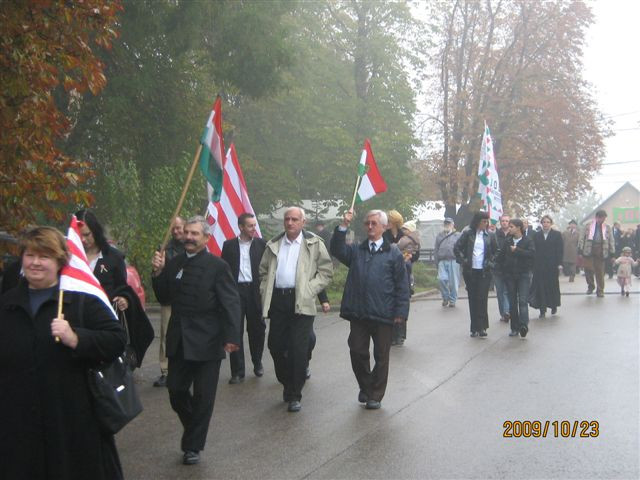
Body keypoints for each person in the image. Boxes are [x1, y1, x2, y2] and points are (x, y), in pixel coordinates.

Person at [0, 226, 126, 480]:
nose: (35, 263)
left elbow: (116, 339)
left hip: (72, 421)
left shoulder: (80, 300)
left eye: (44, 256)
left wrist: (78, 338)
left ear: (59, 261)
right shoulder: (8, 303)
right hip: (18, 422)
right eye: (30, 255)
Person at [151, 216, 241, 465]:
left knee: (203, 397)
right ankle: (195, 428)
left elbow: (231, 303)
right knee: (176, 391)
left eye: (195, 234)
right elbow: (164, 296)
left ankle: (192, 446)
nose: (189, 237)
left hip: (208, 341)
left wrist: (232, 336)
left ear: (206, 238)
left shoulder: (218, 266)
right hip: (179, 339)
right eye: (187, 233)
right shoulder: (176, 262)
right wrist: (158, 272)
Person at [330, 209, 410, 410]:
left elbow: (402, 285)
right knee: (357, 351)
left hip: (384, 313)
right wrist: (343, 226)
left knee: (382, 356)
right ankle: (366, 386)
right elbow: (337, 250)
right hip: (359, 312)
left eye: (374, 223)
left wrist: (401, 313)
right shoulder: (358, 251)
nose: (370, 227)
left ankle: (375, 394)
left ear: (384, 227)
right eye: (367, 223)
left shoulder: (393, 253)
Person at [259, 207, 333, 413]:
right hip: (278, 301)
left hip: (302, 301)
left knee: (298, 350)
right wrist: (265, 289)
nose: (290, 223)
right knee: (275, 346)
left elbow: (326, 272)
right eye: (287, 219)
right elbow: (263, 271)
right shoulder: (273, 244)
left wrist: (310, 289)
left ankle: (294, 394)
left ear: (303, 222)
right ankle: (287, 382)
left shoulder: (314, 243)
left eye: (294, 219)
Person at [221, 213, 267, 383]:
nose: (254, 229)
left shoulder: (262, 245)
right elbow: (224, 271)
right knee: (235, 330)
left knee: (257, 329)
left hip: (255, 291)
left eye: (255, 225)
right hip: (236, 292)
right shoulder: (229, 246)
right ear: (241, 227)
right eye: (250, 226)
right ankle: (237, 371)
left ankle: (257, 361)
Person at [454, 211, 497, 338]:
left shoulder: (490, 235)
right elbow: (457, 248)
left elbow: (497, 251)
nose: (486, 224)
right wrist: (464, 261)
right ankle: (474, 328)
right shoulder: (468, 234)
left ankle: (482, 327)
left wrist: (490, 263)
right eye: (483, 221)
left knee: (482, 298)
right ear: (477, 222)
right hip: (471, 271)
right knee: (473, 299)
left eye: (487, 221)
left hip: (484, 271)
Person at [154, 216, 185, 387]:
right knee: (166, 334)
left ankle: (186, 367)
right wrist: (158, 267)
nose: (176, 231)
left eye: (179, 227)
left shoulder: (191, 247)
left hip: (187, 297)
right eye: (173, 228)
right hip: (169, 297)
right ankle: (165, 371)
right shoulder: (164, 248)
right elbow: (158, 273)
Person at [496, 219, 535, 338]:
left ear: (518, 228)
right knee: (512, 302)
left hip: (523, 274)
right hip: (510, 275)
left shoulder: (527, 240)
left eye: (511, 226)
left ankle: (523, 325)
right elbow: (501, 257)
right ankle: (514, 327)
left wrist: (517, 250)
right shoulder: (508, 241)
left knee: (523, 300)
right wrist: (499, 268)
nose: (509, 228)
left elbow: (532, 254)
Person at [529, 215, 563, 318]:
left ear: (551, 223)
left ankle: (553, 305)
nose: (546, 224)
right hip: (539, 265)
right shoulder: (536, 235)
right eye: (544, 222)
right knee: (541, 287)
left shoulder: (556, 235)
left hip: (552, 265)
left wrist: (560, 264)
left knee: (552, 285)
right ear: (541, 223)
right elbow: (533, 250)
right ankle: (542, 309)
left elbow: (560, 250)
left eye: (548, 222)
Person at [393, 219, 420, 345]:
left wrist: (407, 257)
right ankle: (394, 334)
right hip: (393, 272)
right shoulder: (387, 235)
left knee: (402, 303)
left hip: (404, 271)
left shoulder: (405, 238)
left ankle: (400, 335)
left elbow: (414, 255)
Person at [578, 210, 615, 297]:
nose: (603, 220)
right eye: (602, 218)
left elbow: (611, 240)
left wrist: (612, 253)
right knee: (588, 269)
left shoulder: (607, 227)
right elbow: (582, 238)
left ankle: (600, 290)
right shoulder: (588, 225)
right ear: (597, 217)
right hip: (588, 249)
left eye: (604, 218)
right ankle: (591, 286)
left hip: (601, 250)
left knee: (600, 271)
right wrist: (580, 250)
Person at [434, 218, 461, 308]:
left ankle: (452, 300)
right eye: (445, 223)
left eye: (449, 223)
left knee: (453, 282)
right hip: (442, 260)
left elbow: (462, 247)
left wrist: (461, 258)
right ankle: (445, 297)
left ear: (453, 224)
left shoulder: (458, 235)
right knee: (441, 279)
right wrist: (436, 261)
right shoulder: (439, 235)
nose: (447, 225)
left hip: (454, 260)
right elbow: (436, 249)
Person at [493, 214, 511, 322]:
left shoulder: (512, 234)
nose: (504, 222)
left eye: (506, 221)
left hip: (509, 268)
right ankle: (503, 313)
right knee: (500, 292)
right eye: (503, 221)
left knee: (506, 291)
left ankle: (507, 311)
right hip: (497, 268)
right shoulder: (495, 234)